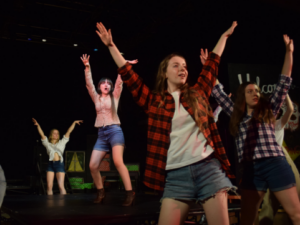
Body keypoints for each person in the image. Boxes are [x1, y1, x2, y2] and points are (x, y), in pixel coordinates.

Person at [96, 21, 238, 225]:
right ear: (165, 72)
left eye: (185, 66)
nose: (183, 69)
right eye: (176, 65)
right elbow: (129, 76)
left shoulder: (197, 93)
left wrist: (223, 37)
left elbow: (212, 63)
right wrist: (111, 46)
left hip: (208, 169)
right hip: (176, 176)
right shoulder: (154, 101)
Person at [211, 35, 300, 225]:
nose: (255, 93)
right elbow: (217, 91)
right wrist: (209, 66)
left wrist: (289, 53)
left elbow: (284, 81)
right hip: (251, 169)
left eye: (257, 91)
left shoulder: (269, 111)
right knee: (248, 219)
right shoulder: (238, 115)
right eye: (250, 91)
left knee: (296, 214)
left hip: (275, 163)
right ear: (243, 95)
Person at [80, 55, 137, 206]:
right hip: (101, 134)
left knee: (118, 162)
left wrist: (124, 65)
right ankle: (100, 191)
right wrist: (87, 67)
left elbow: (120, 81)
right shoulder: (96, 97)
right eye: (103, 83)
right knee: (92, 165)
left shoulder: (115, 95)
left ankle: (129, 193)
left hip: (114, 131)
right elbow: (89, 84)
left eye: (108, 83)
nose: (106, 84)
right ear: (99, 86)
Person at [259, 94, 300, 225]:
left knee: (297, 190)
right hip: (267, 160)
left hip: (281, 156)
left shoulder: (278, 124)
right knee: (269, 201)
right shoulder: (258, 126)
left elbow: (291, 110)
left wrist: (286, 93)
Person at [32, 118, 83, 195]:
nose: (56, 134)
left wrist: (74, 122)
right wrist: (38, 125)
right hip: (50, 164)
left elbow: (68, 131)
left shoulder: (62, 142)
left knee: (61, 186)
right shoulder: (47, 143)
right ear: (51, 134)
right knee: (49, 186)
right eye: (54, 133)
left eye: (57, 133)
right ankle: (50, 205)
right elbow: (42, 134)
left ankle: (63, 206)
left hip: (59, 164)